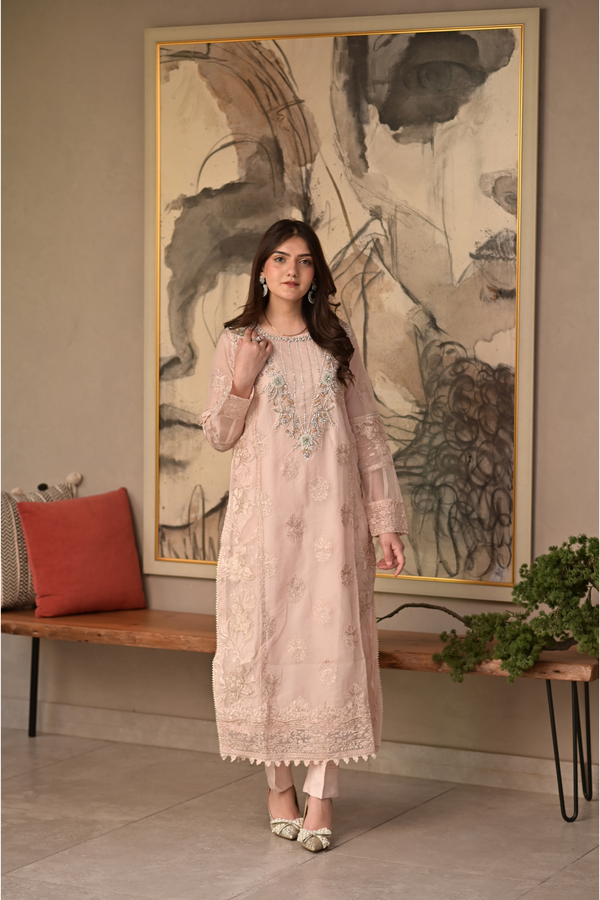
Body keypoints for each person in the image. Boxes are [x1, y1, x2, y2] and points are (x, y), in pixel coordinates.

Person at [201, 219, 408, 852]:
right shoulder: (237, 340)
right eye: (280, 259)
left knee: (329, 653)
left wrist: (385, 522)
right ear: (262, 270)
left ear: (316, 273)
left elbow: (367, 431)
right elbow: (219, 435)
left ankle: (322, 797)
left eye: (305, 260)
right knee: (266, 651)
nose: (292, 270)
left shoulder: (337, 342)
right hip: (262, 531)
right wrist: (243, 378)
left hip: (332, 528)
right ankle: (279, 786)